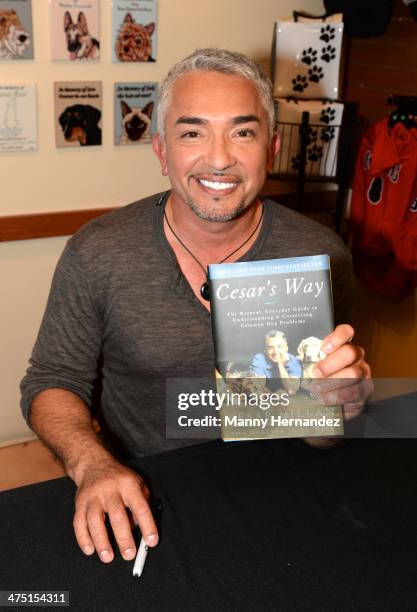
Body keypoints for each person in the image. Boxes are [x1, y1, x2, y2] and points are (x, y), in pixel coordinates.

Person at [20, 48, 371, 566]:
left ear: (271, 148)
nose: (220, 157)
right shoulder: (97, 253)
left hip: (285, 487)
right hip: (147, 487)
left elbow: (322, 432)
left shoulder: (321, 255)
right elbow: (50, 380)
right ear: (161, 150)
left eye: (243, 132)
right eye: (193, 132)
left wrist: (342, 404)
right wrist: (92, 462)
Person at [250, 330, 301, 394]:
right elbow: (259, 387)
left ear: (286, 348)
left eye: (279, 347)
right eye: (270, 348)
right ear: (265, 350)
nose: (275, 352)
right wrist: (275, 395)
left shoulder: (294, 361)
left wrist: (281, 365)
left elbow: (291, 391)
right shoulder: (258, 359)